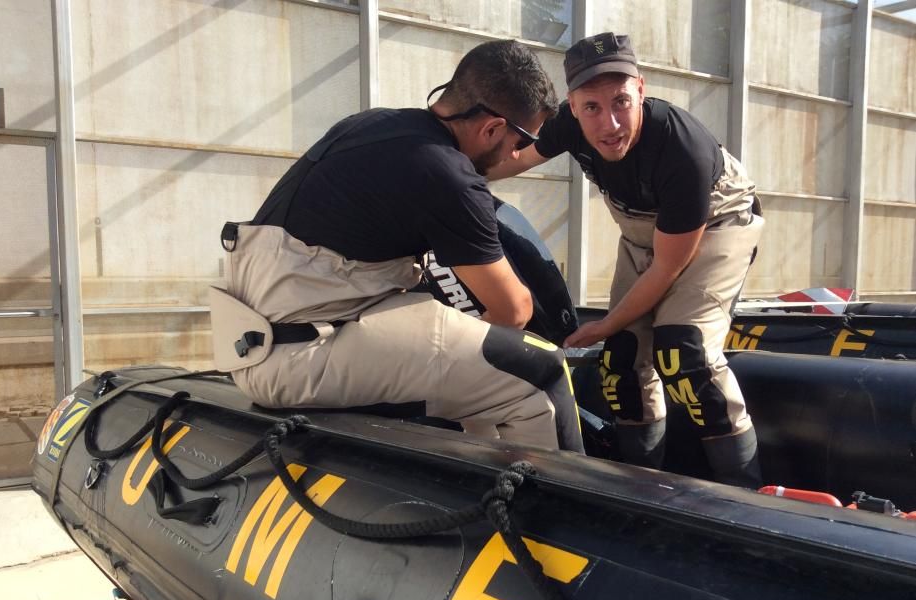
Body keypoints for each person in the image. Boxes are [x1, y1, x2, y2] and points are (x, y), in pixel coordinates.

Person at [209, 40, 584, 454]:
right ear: (492, 128)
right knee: (538, 372)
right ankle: (558, 514)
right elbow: (514, 311)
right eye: (521, 141)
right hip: (296, 357)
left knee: (475, 358)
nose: (518, 154)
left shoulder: (374, 126)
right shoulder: (450, 177)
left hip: (265, 335)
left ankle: (479, 479)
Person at [489, 33, 763, 486]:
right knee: (621, 360)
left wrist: (604, 323)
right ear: (572, 107)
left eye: (621, 101)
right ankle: (638, 485)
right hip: (643, 236)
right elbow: (511, 163)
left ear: (641, 88)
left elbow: (667, 267)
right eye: (592, 107)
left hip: (717, 225)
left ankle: (745, 492)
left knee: (682, 352)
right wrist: (448, 172)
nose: (610, 124)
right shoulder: (568, 126)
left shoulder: (682, 150)